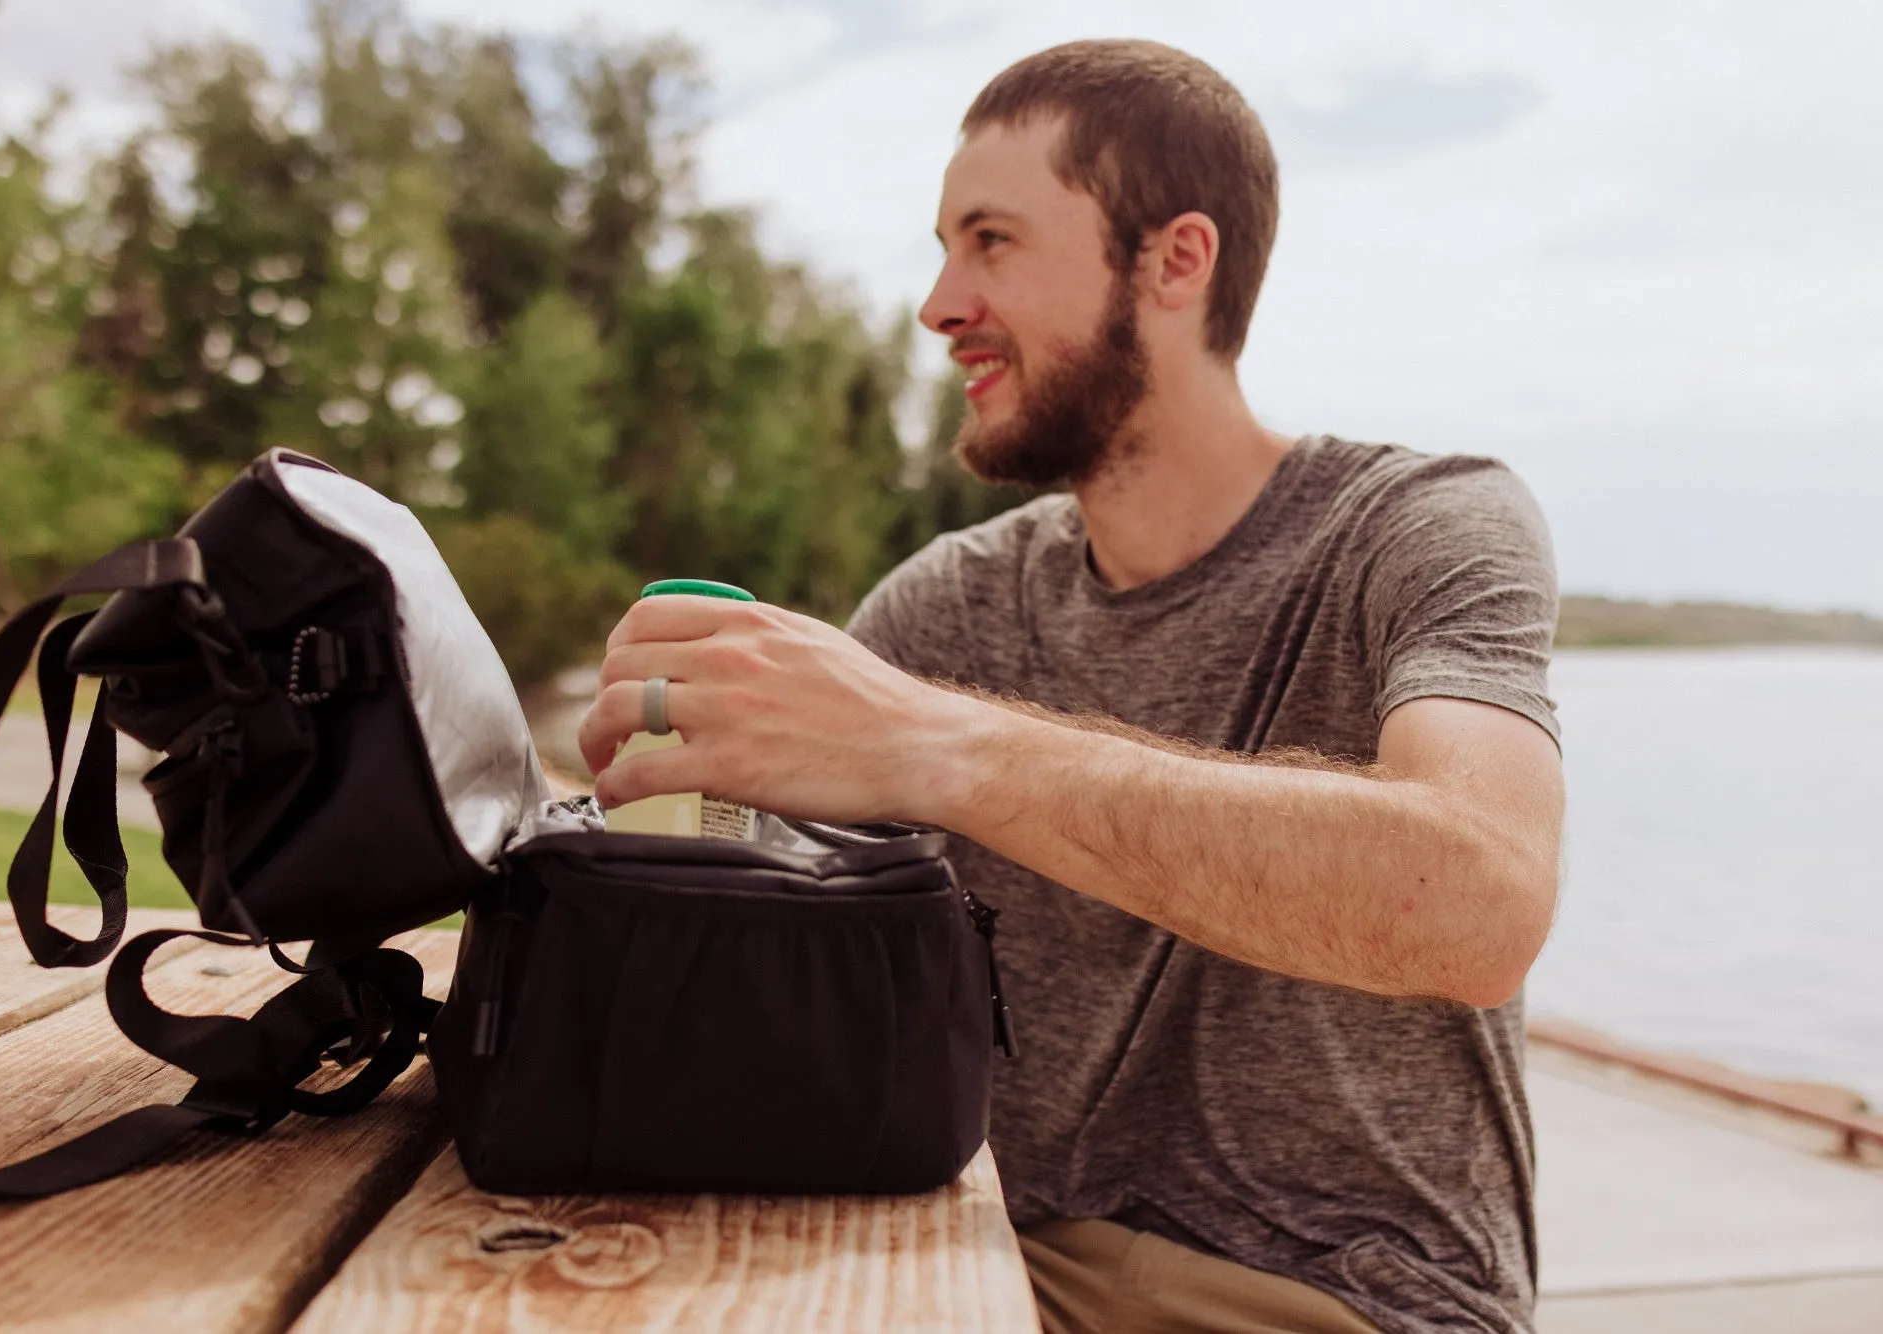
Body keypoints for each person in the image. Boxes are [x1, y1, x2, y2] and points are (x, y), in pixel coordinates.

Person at [577, 38, 1563, 1334]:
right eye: (942, 245)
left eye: (992, 241)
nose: (937, 303)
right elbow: (749, 967)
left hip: (1338, 1294)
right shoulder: (948, 604)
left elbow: (1479, 905)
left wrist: (942, 751)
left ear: (1175, 262)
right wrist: (650, 835)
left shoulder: (1418, 526)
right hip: (983, 1260)